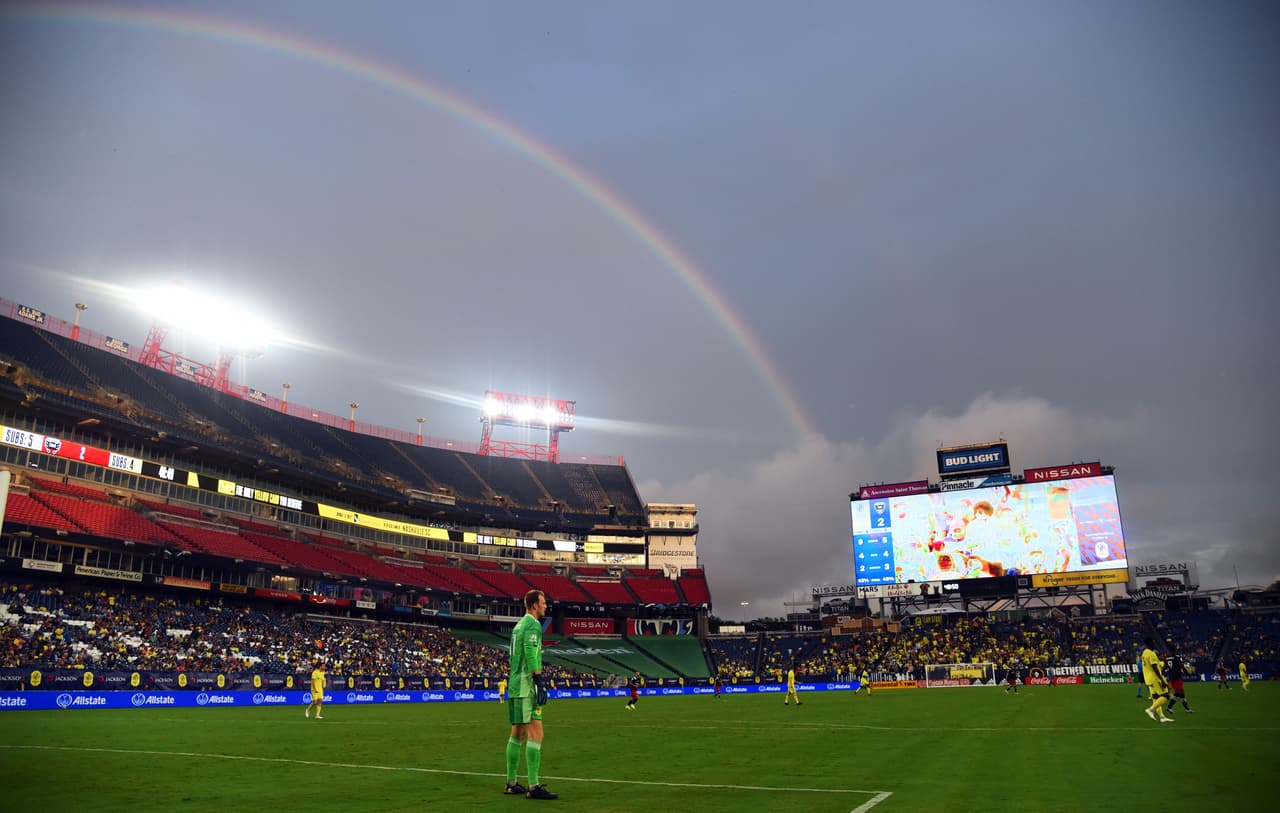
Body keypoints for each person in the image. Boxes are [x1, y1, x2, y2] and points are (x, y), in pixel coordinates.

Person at [504, 589, 557, 800]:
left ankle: (511, 782)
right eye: (543, 602)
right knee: (537, 733)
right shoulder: (533, 625)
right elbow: (530, 650)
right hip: (527, 685)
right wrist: (539, 680)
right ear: (534, 605)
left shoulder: (518, 626)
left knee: (517, 733)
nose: (545, 606)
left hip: (515, 684)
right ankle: (533, 786)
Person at [1141, 638, 1173, 723]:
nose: (1154, 644)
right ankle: (1151, 709)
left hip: (1148, 678)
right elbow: (1155, 668)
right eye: (1153, 642)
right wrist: (1162, 680)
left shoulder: (1144, 653)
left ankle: (1162, 717)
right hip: (1155, 678)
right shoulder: (1151, 654)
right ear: (1150, 643)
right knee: (1166, 695)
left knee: (1156, 697)